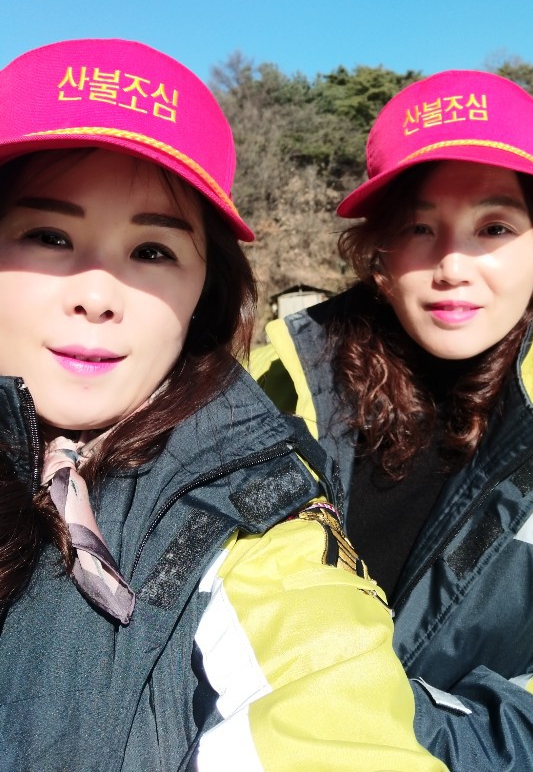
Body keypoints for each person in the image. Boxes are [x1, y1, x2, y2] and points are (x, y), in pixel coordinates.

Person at [251, 70, 533, 772]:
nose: (452, 265)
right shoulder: (261, 396)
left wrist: (375, 729)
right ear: (379, 255)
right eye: (420, 228)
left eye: (494, 228)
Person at [0, 39, 449, 772]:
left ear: (204, 291)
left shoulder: (251, 517)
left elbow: (330, 708)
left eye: (153, 251)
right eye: (49, 236)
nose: (98, 294)